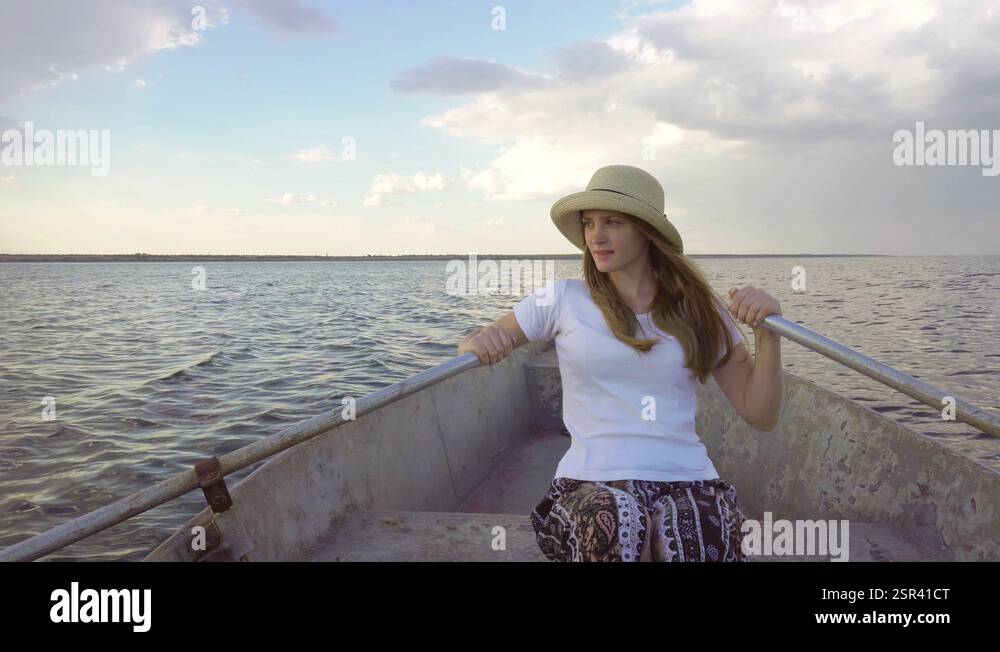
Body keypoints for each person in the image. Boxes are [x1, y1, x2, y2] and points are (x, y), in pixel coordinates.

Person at [457, 164, 784, 561]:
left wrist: (768, 334)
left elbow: (760, 413)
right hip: (589, 481)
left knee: (692, 537)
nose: (596, 235)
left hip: (688, 479)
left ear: (646, 231)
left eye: (611, 222)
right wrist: (478, 339)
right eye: (589, 223)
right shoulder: (563, 298)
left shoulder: (701, 308)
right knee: (617, 520)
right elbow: (480, 341)